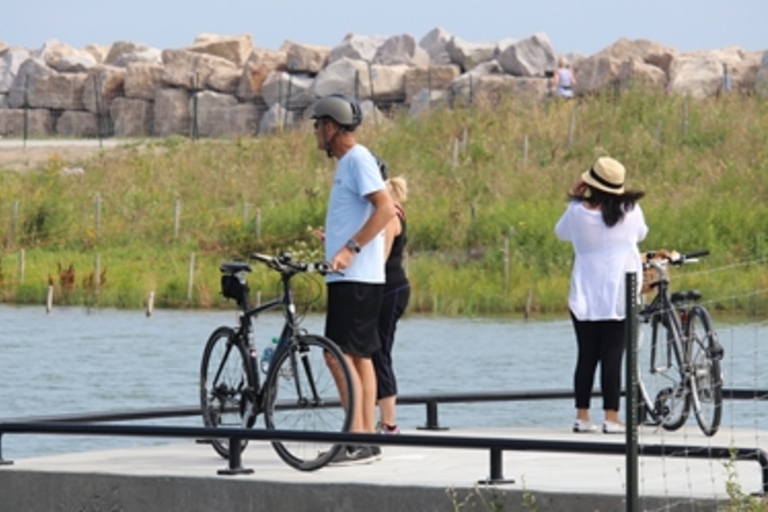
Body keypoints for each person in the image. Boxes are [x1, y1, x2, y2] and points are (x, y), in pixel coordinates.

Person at [311, 94, 396, 464]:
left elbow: (386, 208)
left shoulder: (357, 159)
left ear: (331, 127)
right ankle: (366, 438)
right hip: (356, 278)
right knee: (359, 356)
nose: (314, 132)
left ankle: (356, 438)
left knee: (337, 356)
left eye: (317, 125)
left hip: (355, 277)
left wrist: (349, 249)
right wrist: (335, 242)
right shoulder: (349, 163)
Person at [554, 156, 648, 434]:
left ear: (590, 183)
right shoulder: (631, 210)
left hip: (585, 293)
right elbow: (642, 234)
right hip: (620, 293)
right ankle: (612, 417)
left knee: (586, 356)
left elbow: (560, 233)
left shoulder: (577, 212)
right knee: (612, 356)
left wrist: (574, 196)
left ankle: (582, 416)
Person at [371, 158, 410, 435]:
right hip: (389, 288)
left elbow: (380, 258)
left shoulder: (389, 216)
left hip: (390, 288)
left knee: (380, 351)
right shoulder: (388, 212)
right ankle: (378, 418)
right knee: (373, 351)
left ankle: (389, 422)